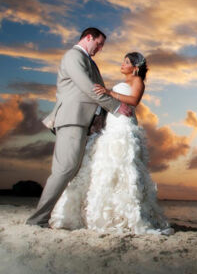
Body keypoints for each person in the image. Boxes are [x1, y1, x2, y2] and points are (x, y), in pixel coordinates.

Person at [49, 52, 173, 235]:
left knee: (123, 166)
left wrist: (109, 92)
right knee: (103, 165)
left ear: (135, 67)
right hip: (112, 123)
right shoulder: (125, 81)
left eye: (126, 62)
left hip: (124, 124)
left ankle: (124, 215)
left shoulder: (137, 82)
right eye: (122, 61)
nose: (122, 65)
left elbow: (134, 101)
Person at [26, 28, 130, 227]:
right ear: (88, 37)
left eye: (102, 46)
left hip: (85, 122)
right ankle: (37, 220)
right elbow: (88, 87)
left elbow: (100, 89)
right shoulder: (73, 56)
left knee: (72, 169)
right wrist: (117, 107)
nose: (99, 49)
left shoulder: (90, 62)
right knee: (64, 169)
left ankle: (65, 215)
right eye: (98, 44)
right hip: (72, 119)